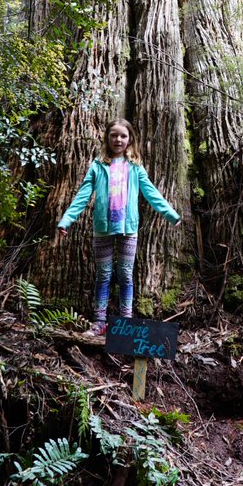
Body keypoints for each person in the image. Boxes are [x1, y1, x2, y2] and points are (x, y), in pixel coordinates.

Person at [55, 118, 181, 339]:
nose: (118, 139)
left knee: (125, 274)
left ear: (130, 139)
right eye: (114, 135)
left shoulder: (135, 167)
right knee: (103, 275)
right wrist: (66, 220)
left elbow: (151, 193)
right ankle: (100, 322)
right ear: (107, 138)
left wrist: (171, 215)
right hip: (103, 229)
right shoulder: (97, 166)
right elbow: (82, 196)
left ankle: (125, 322)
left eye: (123, 135)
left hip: (128, 228)